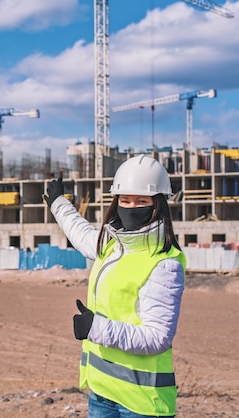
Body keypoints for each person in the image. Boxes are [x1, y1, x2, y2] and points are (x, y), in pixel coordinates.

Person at [43, 155, 186, 418]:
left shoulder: (164, 264)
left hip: (141, 403)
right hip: (102, 393)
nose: (131, 206)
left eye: (141, 201)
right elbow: (80, 233)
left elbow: (157, 337)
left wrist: (95, 327)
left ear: (158, 204)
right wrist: (58, 203)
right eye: (125, 199)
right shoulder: (111, 246)